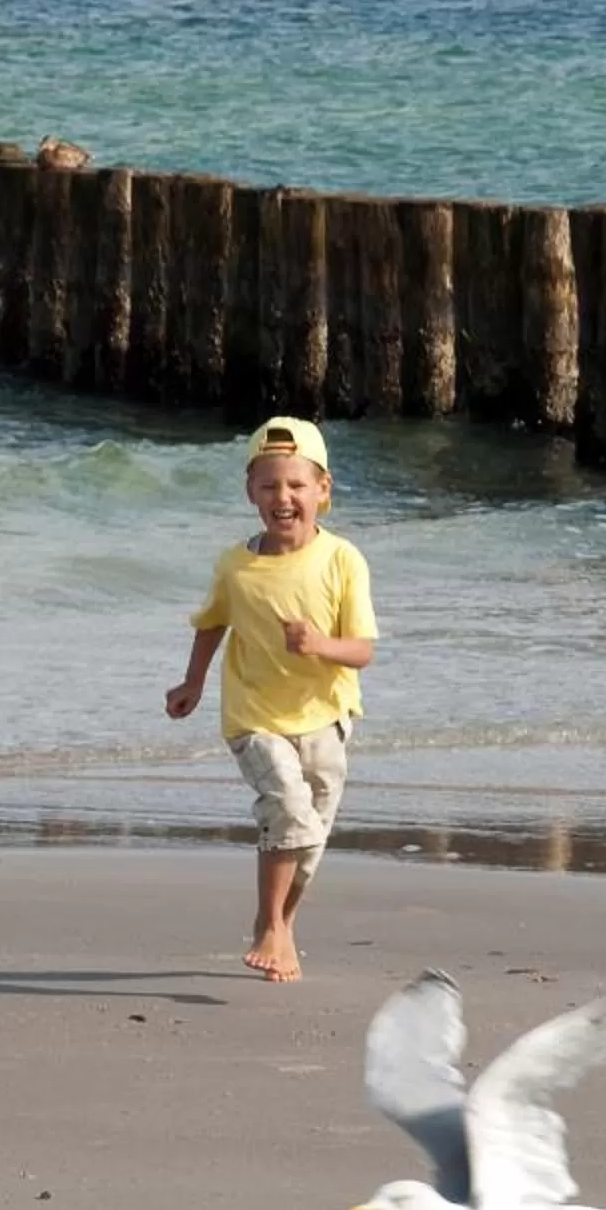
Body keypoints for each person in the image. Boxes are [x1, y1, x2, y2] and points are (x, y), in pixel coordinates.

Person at [165, 416, 379, 982]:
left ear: (323, 490)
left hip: (326, 721)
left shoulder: (342, 560)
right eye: (269, 485)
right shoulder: (237, 565)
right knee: (287, 807)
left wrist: (318, 644)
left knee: (309, 835)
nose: (283, 497)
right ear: (250, 492)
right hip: (254, 717)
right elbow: (212, 623)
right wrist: (193, 682)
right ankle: (269, 927)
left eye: (296, 485)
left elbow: (361, 651)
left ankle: (281, 926)